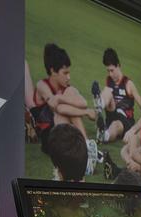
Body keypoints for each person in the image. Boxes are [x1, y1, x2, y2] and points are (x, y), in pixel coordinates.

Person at [30, 43, 99, 175]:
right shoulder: (42, 85)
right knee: (62, 112)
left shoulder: (67, 88)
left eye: (69, 72)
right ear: (53, 71)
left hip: (63, 133)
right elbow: (58, 108)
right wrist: (85, 112)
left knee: (71, 93)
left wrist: (62, 98)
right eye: (65, 73)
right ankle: (85, 150)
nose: (69, 77)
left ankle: (85, 149)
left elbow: (83, 102)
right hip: (48, 136)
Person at [92, 48, 141, 143]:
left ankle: (104, 136)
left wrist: (138, 129)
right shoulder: (109, 80)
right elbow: (109, 99)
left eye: (112, 70)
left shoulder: (128, 84)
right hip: (112, 115)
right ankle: (99, 104)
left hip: (125, 121)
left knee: (115, 125)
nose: (110, 74)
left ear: (119, 66)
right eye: (108, 71)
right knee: (107, 90)